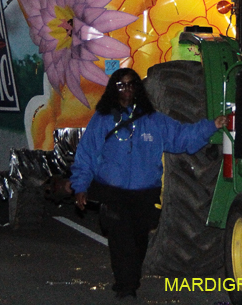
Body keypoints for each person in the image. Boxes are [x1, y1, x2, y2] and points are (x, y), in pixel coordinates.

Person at [68, 68, 225, 298]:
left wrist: (212, 126)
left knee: (139, 241)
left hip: (144, 194)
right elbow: (87, 154)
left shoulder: (154, 121)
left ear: (138, 89)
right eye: (121, 85)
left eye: (131, 84)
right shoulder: (102, 120)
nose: (127, 89)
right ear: (114, 90)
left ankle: (129, 279)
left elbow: (183, 137)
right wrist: (80, 187)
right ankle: (126, 288)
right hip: (113, 193)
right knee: (121, 242)